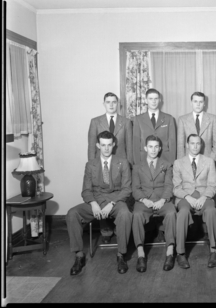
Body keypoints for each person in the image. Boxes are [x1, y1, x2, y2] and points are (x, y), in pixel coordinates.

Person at [66, 131, 133, 275]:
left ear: (114, 145)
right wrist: (93, 203)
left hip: (115, 200)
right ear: (98, 145)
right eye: (103, 145)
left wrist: (113, 203)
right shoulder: (90, 165)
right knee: (72, 213)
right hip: (96, 200)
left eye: (109, 145)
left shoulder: (123, 162)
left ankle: (121, 255)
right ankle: (79, 256)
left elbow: (127, 189)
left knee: (125, 214)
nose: (106, 148)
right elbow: (86, 190)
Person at [87, 92, 133, 243]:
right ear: (104, 104)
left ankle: (122, 231)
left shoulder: (126, 122)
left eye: (114, 102)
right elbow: (91, 148)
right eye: (108, 102)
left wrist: (129, 166)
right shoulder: (95, 122)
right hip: (102, 164)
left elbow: (129, 146)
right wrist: (94, 167)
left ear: (118, 104)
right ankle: (106, 231)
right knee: (101, 193)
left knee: (120, 196)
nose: (111, 105)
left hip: (120, 166)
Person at [173, 134, 216, 269]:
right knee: (183, 212)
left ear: (201, 145)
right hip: (185, 196)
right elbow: (176, 188)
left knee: (212, 211)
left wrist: (204, 197)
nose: (195, 146)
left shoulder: (209, 161)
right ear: (187, 145)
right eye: (192, 143)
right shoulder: (178, 163)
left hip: (204, 195)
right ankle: (180, 253)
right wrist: (188, 198)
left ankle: (214, 250)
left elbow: (213, 185)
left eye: (198, 143)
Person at [131, 135, 176, 273]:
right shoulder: (137, 167)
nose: (153, 150)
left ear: (160, 148)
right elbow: (135, 188)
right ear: (145, 148)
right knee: (137, 214)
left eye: (156, 147)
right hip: (144, 201)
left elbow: (169, 186)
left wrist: (163, 200)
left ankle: (170, 252)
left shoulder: (166, 165)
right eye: (150, 146)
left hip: (162, 200)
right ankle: (141, 255)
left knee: (171, 212)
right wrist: (145, 200)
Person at [132, 88, 177, 165]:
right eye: (150, 99)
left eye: (156, 98)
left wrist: (171, 163)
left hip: (164, 159)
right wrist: (137, 164)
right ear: (146, 100)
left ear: (159, 100)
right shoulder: (138, 119)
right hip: (144, 160)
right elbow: (136, 144)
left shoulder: (169, 118)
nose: (153, 101)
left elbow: (172, 143)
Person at [177, 92, 216, 162]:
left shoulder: (213, 119)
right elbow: (180, 146)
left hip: (207, 160)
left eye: (201, 102)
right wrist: (182, 163)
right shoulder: (182, 119)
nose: (198, 104)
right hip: (188, 161)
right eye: (195, 101)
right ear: (191, 103)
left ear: (204, 104)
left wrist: (211, 161)